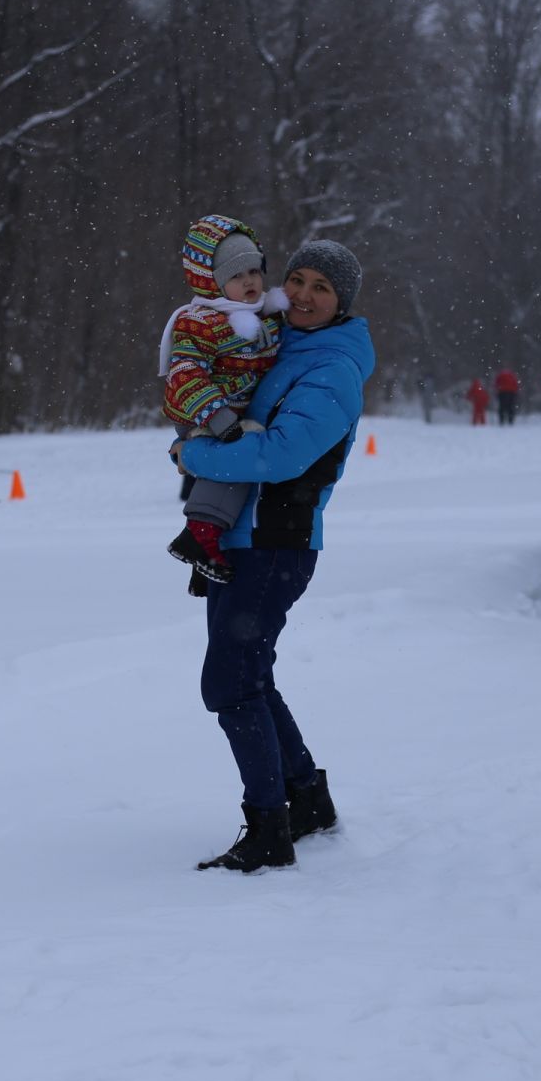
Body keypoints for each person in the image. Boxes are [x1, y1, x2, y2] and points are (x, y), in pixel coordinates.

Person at [172, 239, 373, 873]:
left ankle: (268, 830)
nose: (307, 295)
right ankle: (307, 799)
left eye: (324, 287)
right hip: (249, 539)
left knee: (230, 686)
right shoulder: (278, 345)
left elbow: (282, 455)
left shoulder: (332, 366)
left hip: (275, 542)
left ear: (343, 304)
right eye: (299, 279)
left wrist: (194, 458)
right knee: (251, 678)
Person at [159, 213, 289, 587]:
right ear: (212, 282)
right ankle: (199, 533)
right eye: (235, 275)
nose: (249, 281)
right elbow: (185, 374)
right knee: (234, 462)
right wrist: (217, 417)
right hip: (200, 408)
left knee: (242, 464)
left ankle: (204, 550)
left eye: (253, 270)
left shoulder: (265, 314)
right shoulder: (201, 321)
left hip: (231, 409)